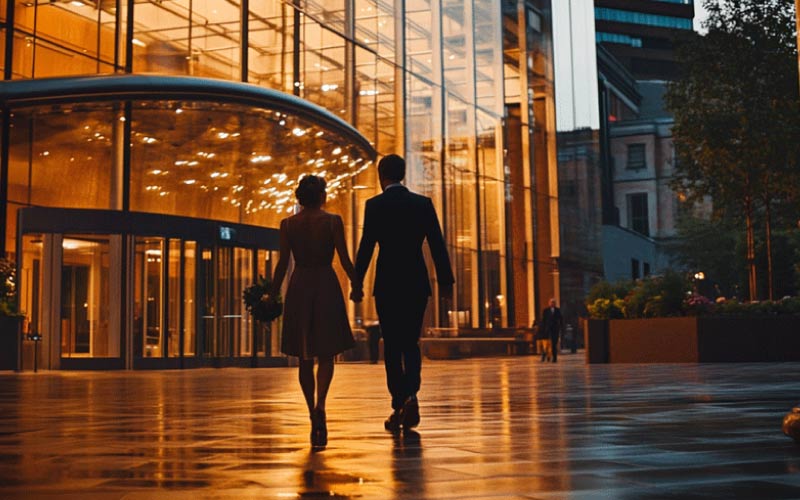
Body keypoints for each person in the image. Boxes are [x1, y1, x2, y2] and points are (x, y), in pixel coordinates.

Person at [351, 154, 454, 433]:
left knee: (393, 345)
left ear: (380, 176)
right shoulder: (422, 204)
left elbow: (366, 247)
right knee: (411, 342)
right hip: (415, 284)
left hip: (387, 285)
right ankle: (411, 395)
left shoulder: (375, 206)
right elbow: (436, 243)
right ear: (404, 174)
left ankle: (400, 401)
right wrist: (446, 283)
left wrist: (357, 282)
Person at [269, 175, 357, 448]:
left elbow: (284, 262)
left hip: (300, 284)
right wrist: (357, 284)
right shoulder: (332, 222)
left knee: (303, 356)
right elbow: (343, 258)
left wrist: (271, 293)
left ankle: (310, 411)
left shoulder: (287, 224)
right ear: (322, 196)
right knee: (326, 351)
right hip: (325, 283)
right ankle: (321, 404)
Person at [539, 298, 563, 363]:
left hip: (555, 329)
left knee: (554, 344)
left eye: (553, 302)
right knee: (546, 344)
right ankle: (544, 356)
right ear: (549, 303)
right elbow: (543, 320)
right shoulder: (545, 311)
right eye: (551, 302)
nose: (552, 303)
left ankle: (554, 358)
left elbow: (561, 319)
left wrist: (561, 327)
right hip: (547, 330)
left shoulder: (558, 310)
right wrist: (543, 329)